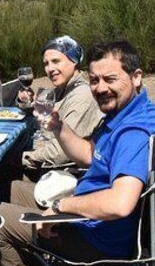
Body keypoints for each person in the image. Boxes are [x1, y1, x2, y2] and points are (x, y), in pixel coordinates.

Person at [0, 40, 155, 266]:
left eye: (111, 79)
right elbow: (88, 154)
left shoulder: (134, 131)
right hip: (91, 215)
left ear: (136, 77)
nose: (100, 88)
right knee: (5, 189)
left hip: (95, 236)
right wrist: (58, 126)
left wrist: (61, 206)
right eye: (95, 80)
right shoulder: (126, 114)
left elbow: (120, 204)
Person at [13, 35, 103, 179]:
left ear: (73, 61)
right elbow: (41, 121)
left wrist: (21, 158)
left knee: (1, 175)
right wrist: (26, 103)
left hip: (66, 175)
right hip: (48, 162)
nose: (50, 68)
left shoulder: (82, 95)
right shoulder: (61, 90)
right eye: (46, 63)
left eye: (56, 61)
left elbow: (60, 152)